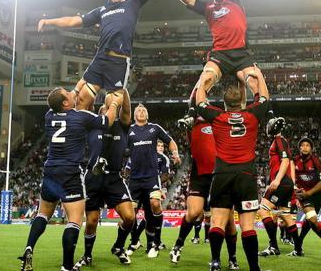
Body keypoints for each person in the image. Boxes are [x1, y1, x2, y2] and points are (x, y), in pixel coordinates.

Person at [37, 0, 166, 112]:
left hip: (118, 60)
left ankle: (108, 135)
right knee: (83, 98)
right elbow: (73, 21)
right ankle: (84, 136)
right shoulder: (102, 10)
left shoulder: (132, 3)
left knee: (112, 103)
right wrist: (49, 21)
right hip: (100, 58)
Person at [18, 87, 123, 271]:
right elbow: (107, 121)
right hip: (70, 172)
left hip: (50, 171)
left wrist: (78, 88)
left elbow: (61, 99)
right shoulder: (81, 117)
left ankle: (29, 248)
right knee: (74, 220)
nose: (72, 93)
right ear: (65, 103)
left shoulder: (49, 116)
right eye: (68, 93)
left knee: (43, 214)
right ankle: (67, 266)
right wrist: (114, 103)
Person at [162, 0, 264, 129]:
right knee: (206, 79)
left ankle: (263, 116)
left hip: (241, 53)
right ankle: (191, 114)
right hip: (220, 55)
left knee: (254, 82)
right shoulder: (208, 8)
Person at [195, 71, 270, 271]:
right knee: (247, 226)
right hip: (246, 175)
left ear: (224, 102)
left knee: (218, 221)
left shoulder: (217, 116)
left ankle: (215, 262)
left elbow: (199, 101)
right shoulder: (252, 115)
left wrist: (205, 80)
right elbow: (264, 98)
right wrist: (259, 76)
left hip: (222, 174)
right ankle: (254, 268)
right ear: (241, 101)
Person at [75, 89, 134, 269]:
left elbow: (126, 110)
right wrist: (95, 88)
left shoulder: (122, 125)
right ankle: (87, 255)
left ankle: (118, 246)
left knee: (130, 217)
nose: (106, 111)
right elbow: (82, 105)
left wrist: (123, 91)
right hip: (93, 177)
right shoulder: (92, 125)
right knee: (91, 222)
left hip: (114, 178)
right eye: (103, 110)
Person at [169, 117, 239, 270]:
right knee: (194, 212)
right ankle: (178, 245)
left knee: (228, 222)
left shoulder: (220, 121)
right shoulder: (193, 122)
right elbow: (196, 94)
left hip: (221, 174)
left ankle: (232, 258)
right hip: (200, 175)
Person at [125, 104, 180, 258]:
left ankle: (153, 243)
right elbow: (122, 149)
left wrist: (174, 153)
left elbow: (170, 141)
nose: (141, 112)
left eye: (144, 110)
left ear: (147, 115)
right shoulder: (129, 130)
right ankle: (134, 241)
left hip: (151, 177)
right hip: (134, 178)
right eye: (138, 110)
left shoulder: (154, 128)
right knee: (130, 214)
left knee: (154, 206)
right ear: (134, 115)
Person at [259, 118, 304, 257]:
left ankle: (273, 246)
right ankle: (298, 249)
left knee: (263, 210)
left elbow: (285, 161)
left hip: (282, 181)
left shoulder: (279, 140)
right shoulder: (279, 141)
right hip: (286, 182)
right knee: (286, 216)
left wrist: (277, 180)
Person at [294, 137, 321, 253]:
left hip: (316, 196)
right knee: (312, 217)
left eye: (308, 145)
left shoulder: (316, 161)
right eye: (303, 145)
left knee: (310, 220)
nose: (305, 147)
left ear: (311, 148)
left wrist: (309, 193)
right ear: (300, 148)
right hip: (303, 195)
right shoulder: (294, 160)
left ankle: (299, 242)